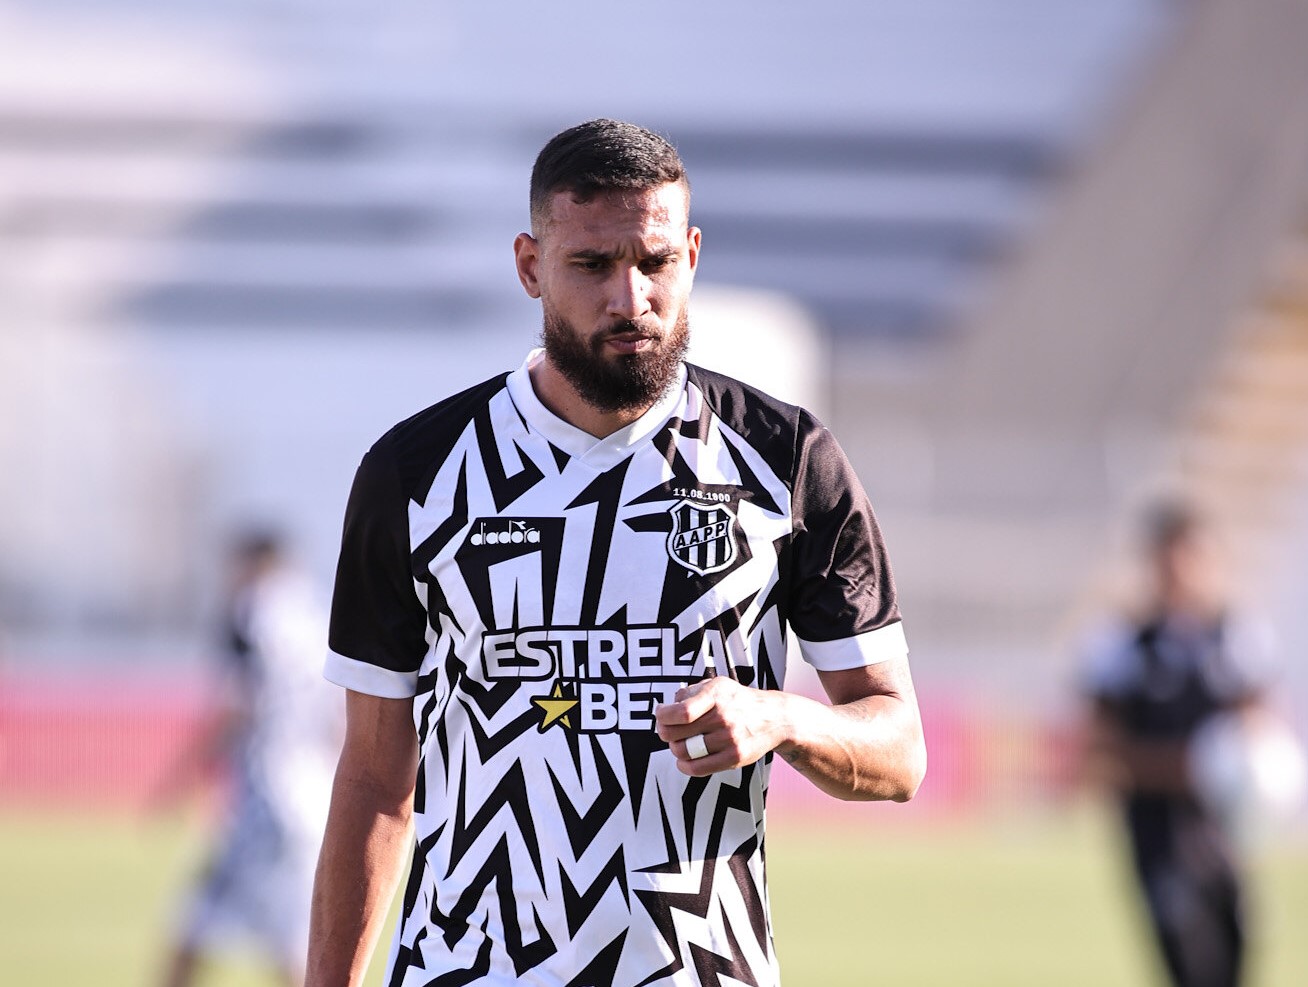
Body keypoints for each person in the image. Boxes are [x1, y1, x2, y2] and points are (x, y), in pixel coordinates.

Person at [308, 118, 927, 987]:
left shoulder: (786, 461)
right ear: (530, 265)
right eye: (591, 265)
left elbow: (898, 748)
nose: (629, 298)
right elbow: (375, 775)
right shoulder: (418, 473)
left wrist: (779, 717)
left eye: (655, 262)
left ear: (694, 254)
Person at [1078, 499, 1280, 987]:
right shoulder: (1122, 646)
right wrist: (1185, 766)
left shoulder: (1237, 638)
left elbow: (1261, 727)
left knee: (1233, 962)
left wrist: (1251, 764)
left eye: (1194, 558)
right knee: (1188, 965)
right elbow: (1100, 751)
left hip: (1224, 832)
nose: (1182, 573)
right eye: (1170, 559)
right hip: (1158, 834)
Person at [161, 532, 342, 987]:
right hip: (311, 794)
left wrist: (180, 777)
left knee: (192, 930)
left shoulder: (251, 612)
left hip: (265, 800)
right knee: (289, 938)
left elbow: (236, 707)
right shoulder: (320, 614)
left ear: (254, 565)